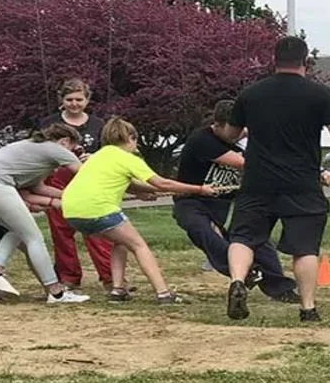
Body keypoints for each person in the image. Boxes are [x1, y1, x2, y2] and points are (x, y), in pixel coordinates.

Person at [223, 37, 330, 323]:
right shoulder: (319, 94)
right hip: (302, 183)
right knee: (305, 247)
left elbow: (229, 135)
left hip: (257, 181)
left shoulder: (251, 94)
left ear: (273, 60)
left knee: (243, 237)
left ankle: (238, 281)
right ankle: (308, 308)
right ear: (305, 61)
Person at [60, 117, 214, 303]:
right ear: (130, 138)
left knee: (121, 242)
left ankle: (118, 290)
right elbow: (162, 183)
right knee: (139, 246)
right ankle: (164, 293)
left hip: (71, 211)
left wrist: (146, 192)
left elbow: (128, 183)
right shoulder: (127, 158)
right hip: (99, 209)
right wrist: (199, 189)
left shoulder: (98, 156)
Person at [172, 100, 307, 302]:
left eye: (241, 127)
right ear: (218, 124)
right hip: (192, 201)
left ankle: (280, 289)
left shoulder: (239, 134)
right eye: (233, 128)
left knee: (255, 238)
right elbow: (246, 164)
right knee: (202, 231)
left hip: (223, 203)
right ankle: (245, 272)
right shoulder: (202, 140)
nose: (238, 133)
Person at [0, 121, 90, 304]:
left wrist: (68, 198)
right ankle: (56, 292)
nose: (72, 153)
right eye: (73, 148)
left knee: (18, 230)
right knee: (34, 237)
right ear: (65, 141)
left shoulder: (31, 149)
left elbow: (39, 188)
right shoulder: (55, 147)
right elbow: (84, 174)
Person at [39, 78, 113, 292]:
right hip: (57, 178)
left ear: (87, 100)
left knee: (96, 228)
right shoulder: (49, 123)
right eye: (69, 99)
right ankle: (68, 276)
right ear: (62, 100)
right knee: (61, 230)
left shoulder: (98, 124)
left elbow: (109, 151)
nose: (74, 104)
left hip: (89, 179)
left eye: (79, 99)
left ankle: (109, 275)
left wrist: (95, 157)